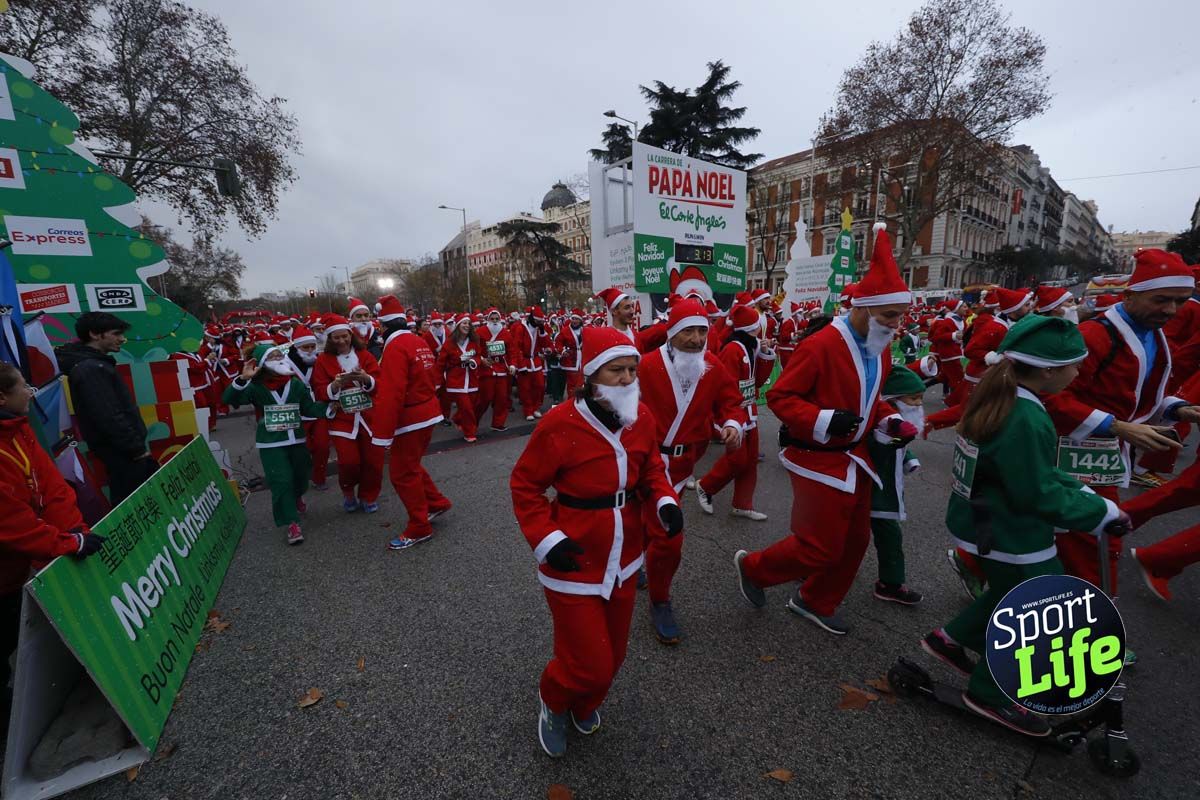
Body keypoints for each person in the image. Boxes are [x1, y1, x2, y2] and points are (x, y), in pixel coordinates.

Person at [920, 315, 1127, 737]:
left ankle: (953, 638)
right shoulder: (1027, 417)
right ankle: (990, 694)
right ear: (1048, 369)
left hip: (984, 517)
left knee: (1006, 591)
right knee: (1038, 609)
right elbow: (1036, 491)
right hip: (1010, 529)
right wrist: (1099, 513)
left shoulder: (1002, 396)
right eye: (1074, 365)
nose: (1078, 373)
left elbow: (1030, 473)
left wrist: (1080, 491)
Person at [733, 223, 918, 635]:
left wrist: (887, 419)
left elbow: (870, 397)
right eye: (891, 315)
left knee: (855, 542)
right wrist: (823, 420)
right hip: (815, 456)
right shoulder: (821, 345)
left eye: (900, 315)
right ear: (865, 307)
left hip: (856, 457)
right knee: (818, 545)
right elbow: (781, 397)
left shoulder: (879, 343)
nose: (897, 323)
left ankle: (815, 599)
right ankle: (754, 568)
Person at [510, 327, 681, 758]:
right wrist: (547, 538)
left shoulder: (642, 417)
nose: (626, 379)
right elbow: (525, 486)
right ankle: (553, 698)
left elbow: (652, 472)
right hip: (572, 560)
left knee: (615, 655)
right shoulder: (558, 424)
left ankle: (584, 700)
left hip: (624, 558)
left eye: (631, 370)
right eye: (615, 370)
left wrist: (664, 499)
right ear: (591, 376)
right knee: (590, 661)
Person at [1043, 248, 1198, 587]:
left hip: (1103, 454)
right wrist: (1116, 426)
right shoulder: (1093, 336)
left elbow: (1133, 390)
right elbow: (1050, 395)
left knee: (1061, 534)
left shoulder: (1153, 333)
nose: (1171, 310)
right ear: (1131, 295)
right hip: (1071, 451)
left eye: (1181, 301)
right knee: (1099, 539)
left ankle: (980, 564)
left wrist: (1176, 408)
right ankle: (1097, 628)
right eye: (1162, 300)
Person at [0, 363, 106, 729]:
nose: (31, 391)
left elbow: (52, 485)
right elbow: (12, 524)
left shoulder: (17, 430)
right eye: (23, 386)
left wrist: (74, 531)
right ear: (2, 397)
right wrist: (66, 543)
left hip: (12, 571)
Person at [638, 298, 746, 643]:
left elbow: (730, 402)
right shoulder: (645, 366)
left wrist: (731, 424)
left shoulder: (712, 367)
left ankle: (659, 597)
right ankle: (638, 573)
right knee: (639, 525)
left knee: (669, 538)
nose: (698, 339)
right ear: (671, 333)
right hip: (644, 462)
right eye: (689, 331)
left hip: (682, 467)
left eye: (702, 331)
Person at [223, 344, 334, 545]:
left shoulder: (296, 385)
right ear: (263, 363)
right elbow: (229, 399)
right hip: (271, 443)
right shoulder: (255, 387)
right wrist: (243, 379)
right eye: (272, 356)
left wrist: (330, 408)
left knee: (301, 477)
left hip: (297, 439)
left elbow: (309, 408)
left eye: (279, 354)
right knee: (281, 481)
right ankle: (291, 523)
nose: (278, 358)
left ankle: (296, 496)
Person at [370, 307, 452, 549]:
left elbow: (392, 393)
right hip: (426, 411)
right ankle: (435, 502)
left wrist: (382, 434)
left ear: (383, 327)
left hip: (411, 417)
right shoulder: (415, 340)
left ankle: (419, 526)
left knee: (402, 473)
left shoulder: (395, 347)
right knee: (410, 465)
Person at [55, 312, 155, 505]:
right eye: (116, 334)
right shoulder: (89, 369)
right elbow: (109, 415)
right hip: (124, 455)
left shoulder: (95, 364)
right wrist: (135, 449)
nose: (122, 339)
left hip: (124, 453)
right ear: (94, 334)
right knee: (133, 505)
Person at [695, 303, 774, 521]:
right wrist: (727, 417)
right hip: (737, 412)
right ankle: (707, 486)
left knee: (749, 461)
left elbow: (757, 381)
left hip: (750, 410)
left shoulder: (751, 347)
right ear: (754, 328)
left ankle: (742, 504)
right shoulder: (733, 349)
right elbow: (725, 386)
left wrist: (765, 354)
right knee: (738, 459)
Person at [311, 314, 384, 513]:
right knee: (349, 462)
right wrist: (334, 386)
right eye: (336, 338)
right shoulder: (323, 361)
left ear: (351, 335)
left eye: (345, 336)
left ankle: (368, 496)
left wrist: (366, 379)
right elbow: (318, 389)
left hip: (368, 416)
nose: (342, 341)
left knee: (373, 461)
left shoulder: (366, 356)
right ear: (330, 339)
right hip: (342, 418)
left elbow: (379, 382)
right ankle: (348, 491)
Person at [866, 366, 926, 605]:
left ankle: (890, 583)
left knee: (890, 537)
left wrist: (909, 458)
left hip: (887, 492)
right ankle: (811, 571)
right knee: (839, 538)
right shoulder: (880, 423)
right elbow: (873, 450)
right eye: (913, 399)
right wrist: (888, 442)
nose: (918, 404)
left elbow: (902, 446)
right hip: (869, 490)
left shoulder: (900, 425)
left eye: (921, 398)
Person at [286, 325, 332, 491]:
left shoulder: (319, 360)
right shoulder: (285, 363)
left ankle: (319, 478)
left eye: (313, 346)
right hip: (296, 413)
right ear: (296, 347)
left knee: (323, 446)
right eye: (306, 347)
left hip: (318, 410)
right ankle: (300, 480)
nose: (311, 350)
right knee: (303, 450)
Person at [437, 314, 483, 443]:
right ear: (458, 326)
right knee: (467, 408)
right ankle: (470, 433)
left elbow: (479, 356)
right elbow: (440, 363)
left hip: (472, 379)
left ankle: (458, 418)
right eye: (464, 323)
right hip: (456, 381)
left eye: (468, 324)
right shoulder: (449, 343)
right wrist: (438, 380)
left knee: (472, 406)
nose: (467, 326)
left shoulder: (474, 341)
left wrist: (474, 361)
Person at [475, 308, 515, 432]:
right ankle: (472, 421)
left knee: (502, 398)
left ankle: (498, 423)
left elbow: (512, 351)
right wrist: (481, 359)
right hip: (486, 370)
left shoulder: (506, 333)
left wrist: (513, 365)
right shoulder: (480, 332)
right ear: (488, 319)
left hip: (501, 370)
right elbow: (473, 349)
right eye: (492, 319)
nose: (495, 321)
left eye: (497, 319)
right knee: (484, 399)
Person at [511, 306, 552, 421]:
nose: (539, 323)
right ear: (532, 319)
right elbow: (516, 347)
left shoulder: (539, 328)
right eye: (538, 321)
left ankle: (536, 408)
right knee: (525, 388)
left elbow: (546, 344)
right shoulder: (520, 328)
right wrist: (519, 365)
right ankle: (528, 410)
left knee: (539, 385)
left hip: (536, 361)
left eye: (541, 322)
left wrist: (543, 333)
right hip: (524, 361)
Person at [555, 310, 585, 399]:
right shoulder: (565, 331)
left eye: (577, 319)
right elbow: (558, 343)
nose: (574, 321)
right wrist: (563, 351)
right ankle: (572, 402)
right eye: (573, 319)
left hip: (583, 359)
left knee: (581, 382)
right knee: (572, 383)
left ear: (580, 321)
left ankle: (579, 402)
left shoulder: (585, 330)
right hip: (571, 360)